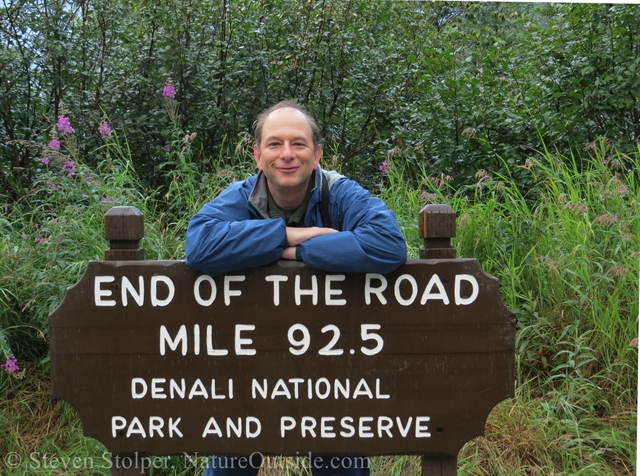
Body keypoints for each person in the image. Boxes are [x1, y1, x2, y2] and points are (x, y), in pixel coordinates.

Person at [185, 101, 407, 476]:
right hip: (252, 369)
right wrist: (286, 235)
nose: (286, 154)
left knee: (342, 464)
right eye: (274, 144)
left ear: (317, 154)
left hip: (332, 367)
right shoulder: (241, 196)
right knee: (229, 465)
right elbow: (200, 244)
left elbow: (387, 243)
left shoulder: (340, 193)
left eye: (298, 144)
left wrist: (297, 251)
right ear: (258, 155)